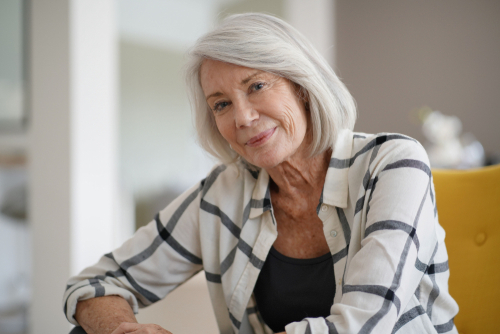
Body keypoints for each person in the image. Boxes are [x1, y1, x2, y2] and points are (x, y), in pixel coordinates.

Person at [63, 13, 458, 334]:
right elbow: (91, 286)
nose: (243, 117)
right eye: (220, 104)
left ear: (302, 87)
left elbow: (366, 324)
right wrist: (121, 329)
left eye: (256, 86)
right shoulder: (224, 193)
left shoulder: (393, 163)